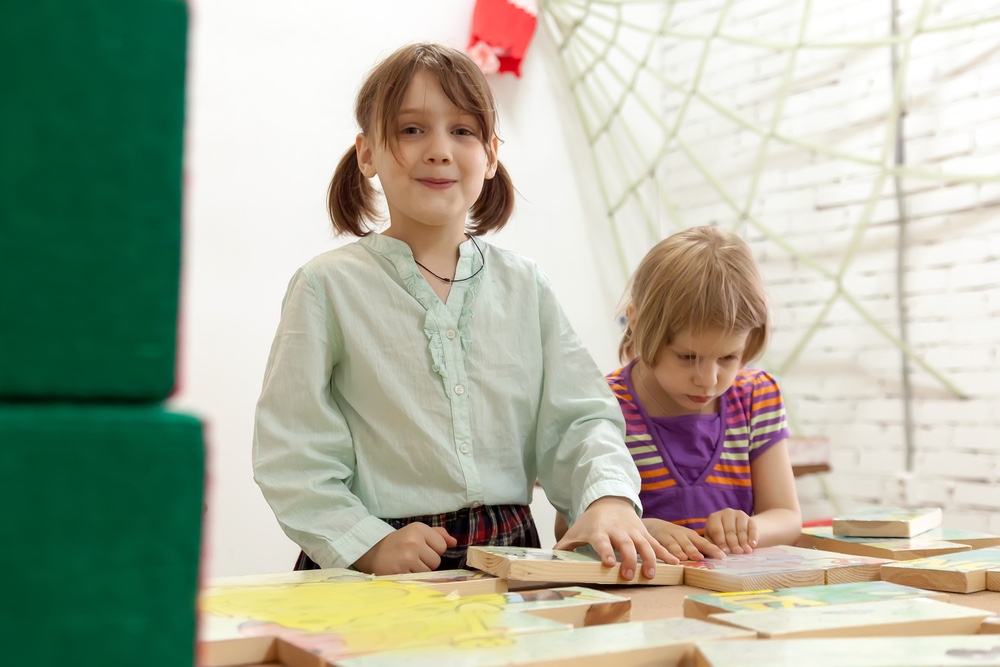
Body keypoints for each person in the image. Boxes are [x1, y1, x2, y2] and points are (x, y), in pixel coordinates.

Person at [252, 43, 673, 579]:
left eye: (463, 131)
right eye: (410, 129)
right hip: (372, 565)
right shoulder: (326, 286)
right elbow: (292, 452)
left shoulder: (526, 285)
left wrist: (607, 498)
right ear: (366, 154)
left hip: (510, 555)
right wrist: (368, 545)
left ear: (492, 154)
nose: (438, 150)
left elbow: (580, 420)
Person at [557, 226, 801, 560]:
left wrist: (747, 528)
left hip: (735, 600)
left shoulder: (756, 397)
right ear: (638, 324)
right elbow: (568, 528)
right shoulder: (603, 405)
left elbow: (786, 516)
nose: (708, 379)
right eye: (688, 357)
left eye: (728, 357)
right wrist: (641, 529)